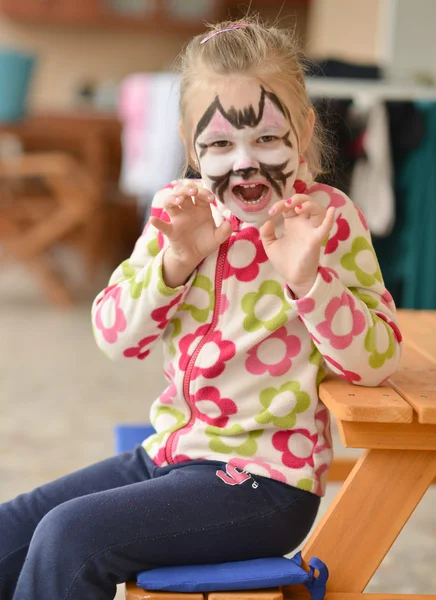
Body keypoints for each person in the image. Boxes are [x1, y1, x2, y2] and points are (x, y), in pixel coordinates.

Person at [0, 16, 402, 600]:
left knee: (70, 536)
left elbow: (378, 360)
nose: (244, 164)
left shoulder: (328, 221)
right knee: (11, 530)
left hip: (264, 483)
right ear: (192, 147)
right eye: (219, 144)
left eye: (267, 138)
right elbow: (117, 337)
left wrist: (309, 281)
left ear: (305, 128)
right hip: (170, 455)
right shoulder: (178, 215)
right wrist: (175, 263)